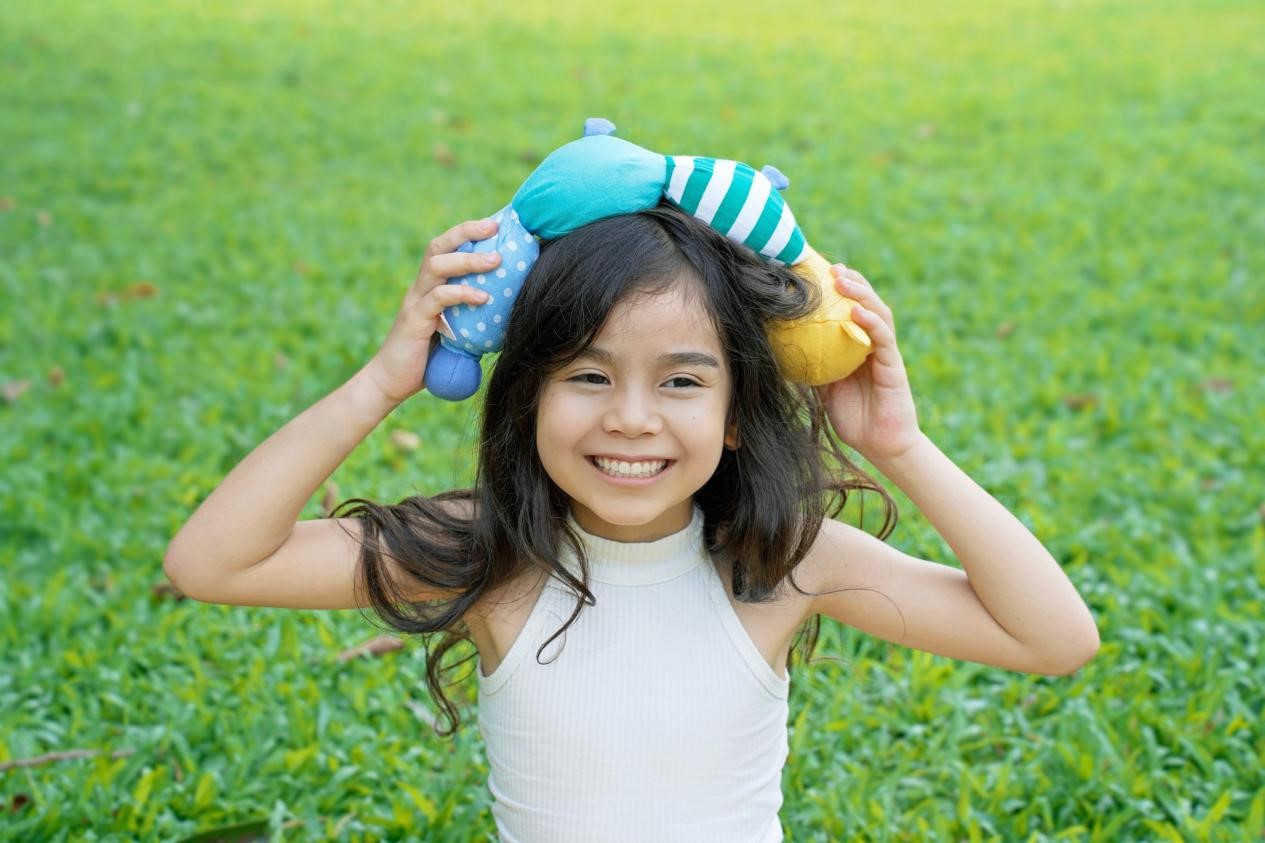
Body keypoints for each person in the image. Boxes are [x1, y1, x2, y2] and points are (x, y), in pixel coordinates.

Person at [163, 200, 1100, 842]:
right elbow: (214, 562)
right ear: (527, 394)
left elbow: (1053, 637)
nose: (631, 418)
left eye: (682, 380)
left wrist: (898, 444)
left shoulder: (782, 562)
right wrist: (381, 381)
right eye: (588, 374)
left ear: (736, 415)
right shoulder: (492, 556)